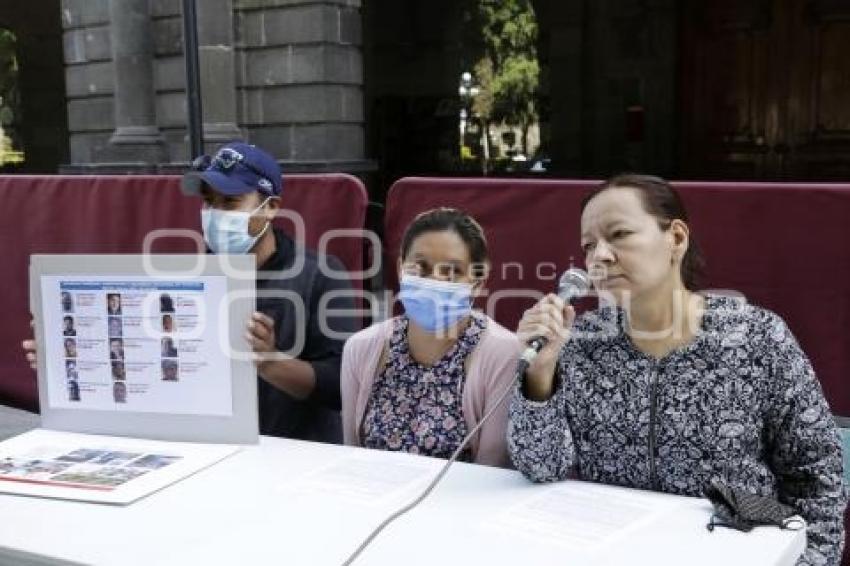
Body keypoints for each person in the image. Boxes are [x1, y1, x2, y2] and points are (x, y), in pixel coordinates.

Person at [508, 174, 847, 564]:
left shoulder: (756, 337)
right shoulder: (581, 341)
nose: (599, 256)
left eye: (618, 234)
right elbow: (541, 466)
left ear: (677, 238)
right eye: (588, 246)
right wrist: (541, 372)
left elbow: (818, 478)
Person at [23, 141, 357, 443]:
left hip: (294, 456)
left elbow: (342, 386)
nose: (214, 214)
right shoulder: (189, 280)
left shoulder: (320, 274)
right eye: (208, 202)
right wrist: (72, 357)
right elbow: (145, 361)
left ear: (270, 208)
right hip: (209, 454)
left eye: (230, 202)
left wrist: (271, 363)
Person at [342, 208, 521, 467]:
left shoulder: (504, 353)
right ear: (401, 268)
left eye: (452, 272)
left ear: (478, 282)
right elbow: (351, 454)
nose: (435, 280)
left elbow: (492, 468)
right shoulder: (360, 348)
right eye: (421, 268)